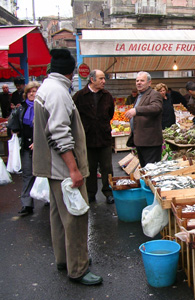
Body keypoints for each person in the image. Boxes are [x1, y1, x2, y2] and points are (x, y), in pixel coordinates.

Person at [33, 48, 102, 285]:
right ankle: (79, 268)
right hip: (63, 168)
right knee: (75, 217)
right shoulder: (59, 92)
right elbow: (59, 133)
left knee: (59, 216)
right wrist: (74, 169)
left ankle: (65, 259)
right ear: (71, 72)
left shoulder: (46, 87)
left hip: (53, 168)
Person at [72, 69, 115, 204]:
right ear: (92, 79)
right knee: (89, 167)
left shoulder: (107, 95)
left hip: (104, 138)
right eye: (101, 78)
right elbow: (74, 116)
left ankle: (108, 192)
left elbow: (110, 114)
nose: (104, 81)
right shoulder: (79, 96)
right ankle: (90, 193)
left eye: (104, 78)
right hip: (87, 139)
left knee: (107, 167)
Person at [7, 81, 40, 215]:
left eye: (35, 91)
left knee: (45, 174)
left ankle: (48, 198)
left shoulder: (43, 107)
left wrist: (38, 141)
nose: (32, 94)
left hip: (41, 146)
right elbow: (13, 125)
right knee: (27, 175)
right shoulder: (21, 108)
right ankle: (27, 205)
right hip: (26, 146)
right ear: (26, 94)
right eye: (30, 92)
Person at [125, 71, 163, 167]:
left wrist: (137, 110)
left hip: (150, 142)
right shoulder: (139, 96)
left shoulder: (154, 94)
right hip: (140, 141)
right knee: (144, 169)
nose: (139, 83)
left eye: (142, 80)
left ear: (149, 83)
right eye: (137, 81)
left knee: (151, 171)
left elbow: (156, 108)